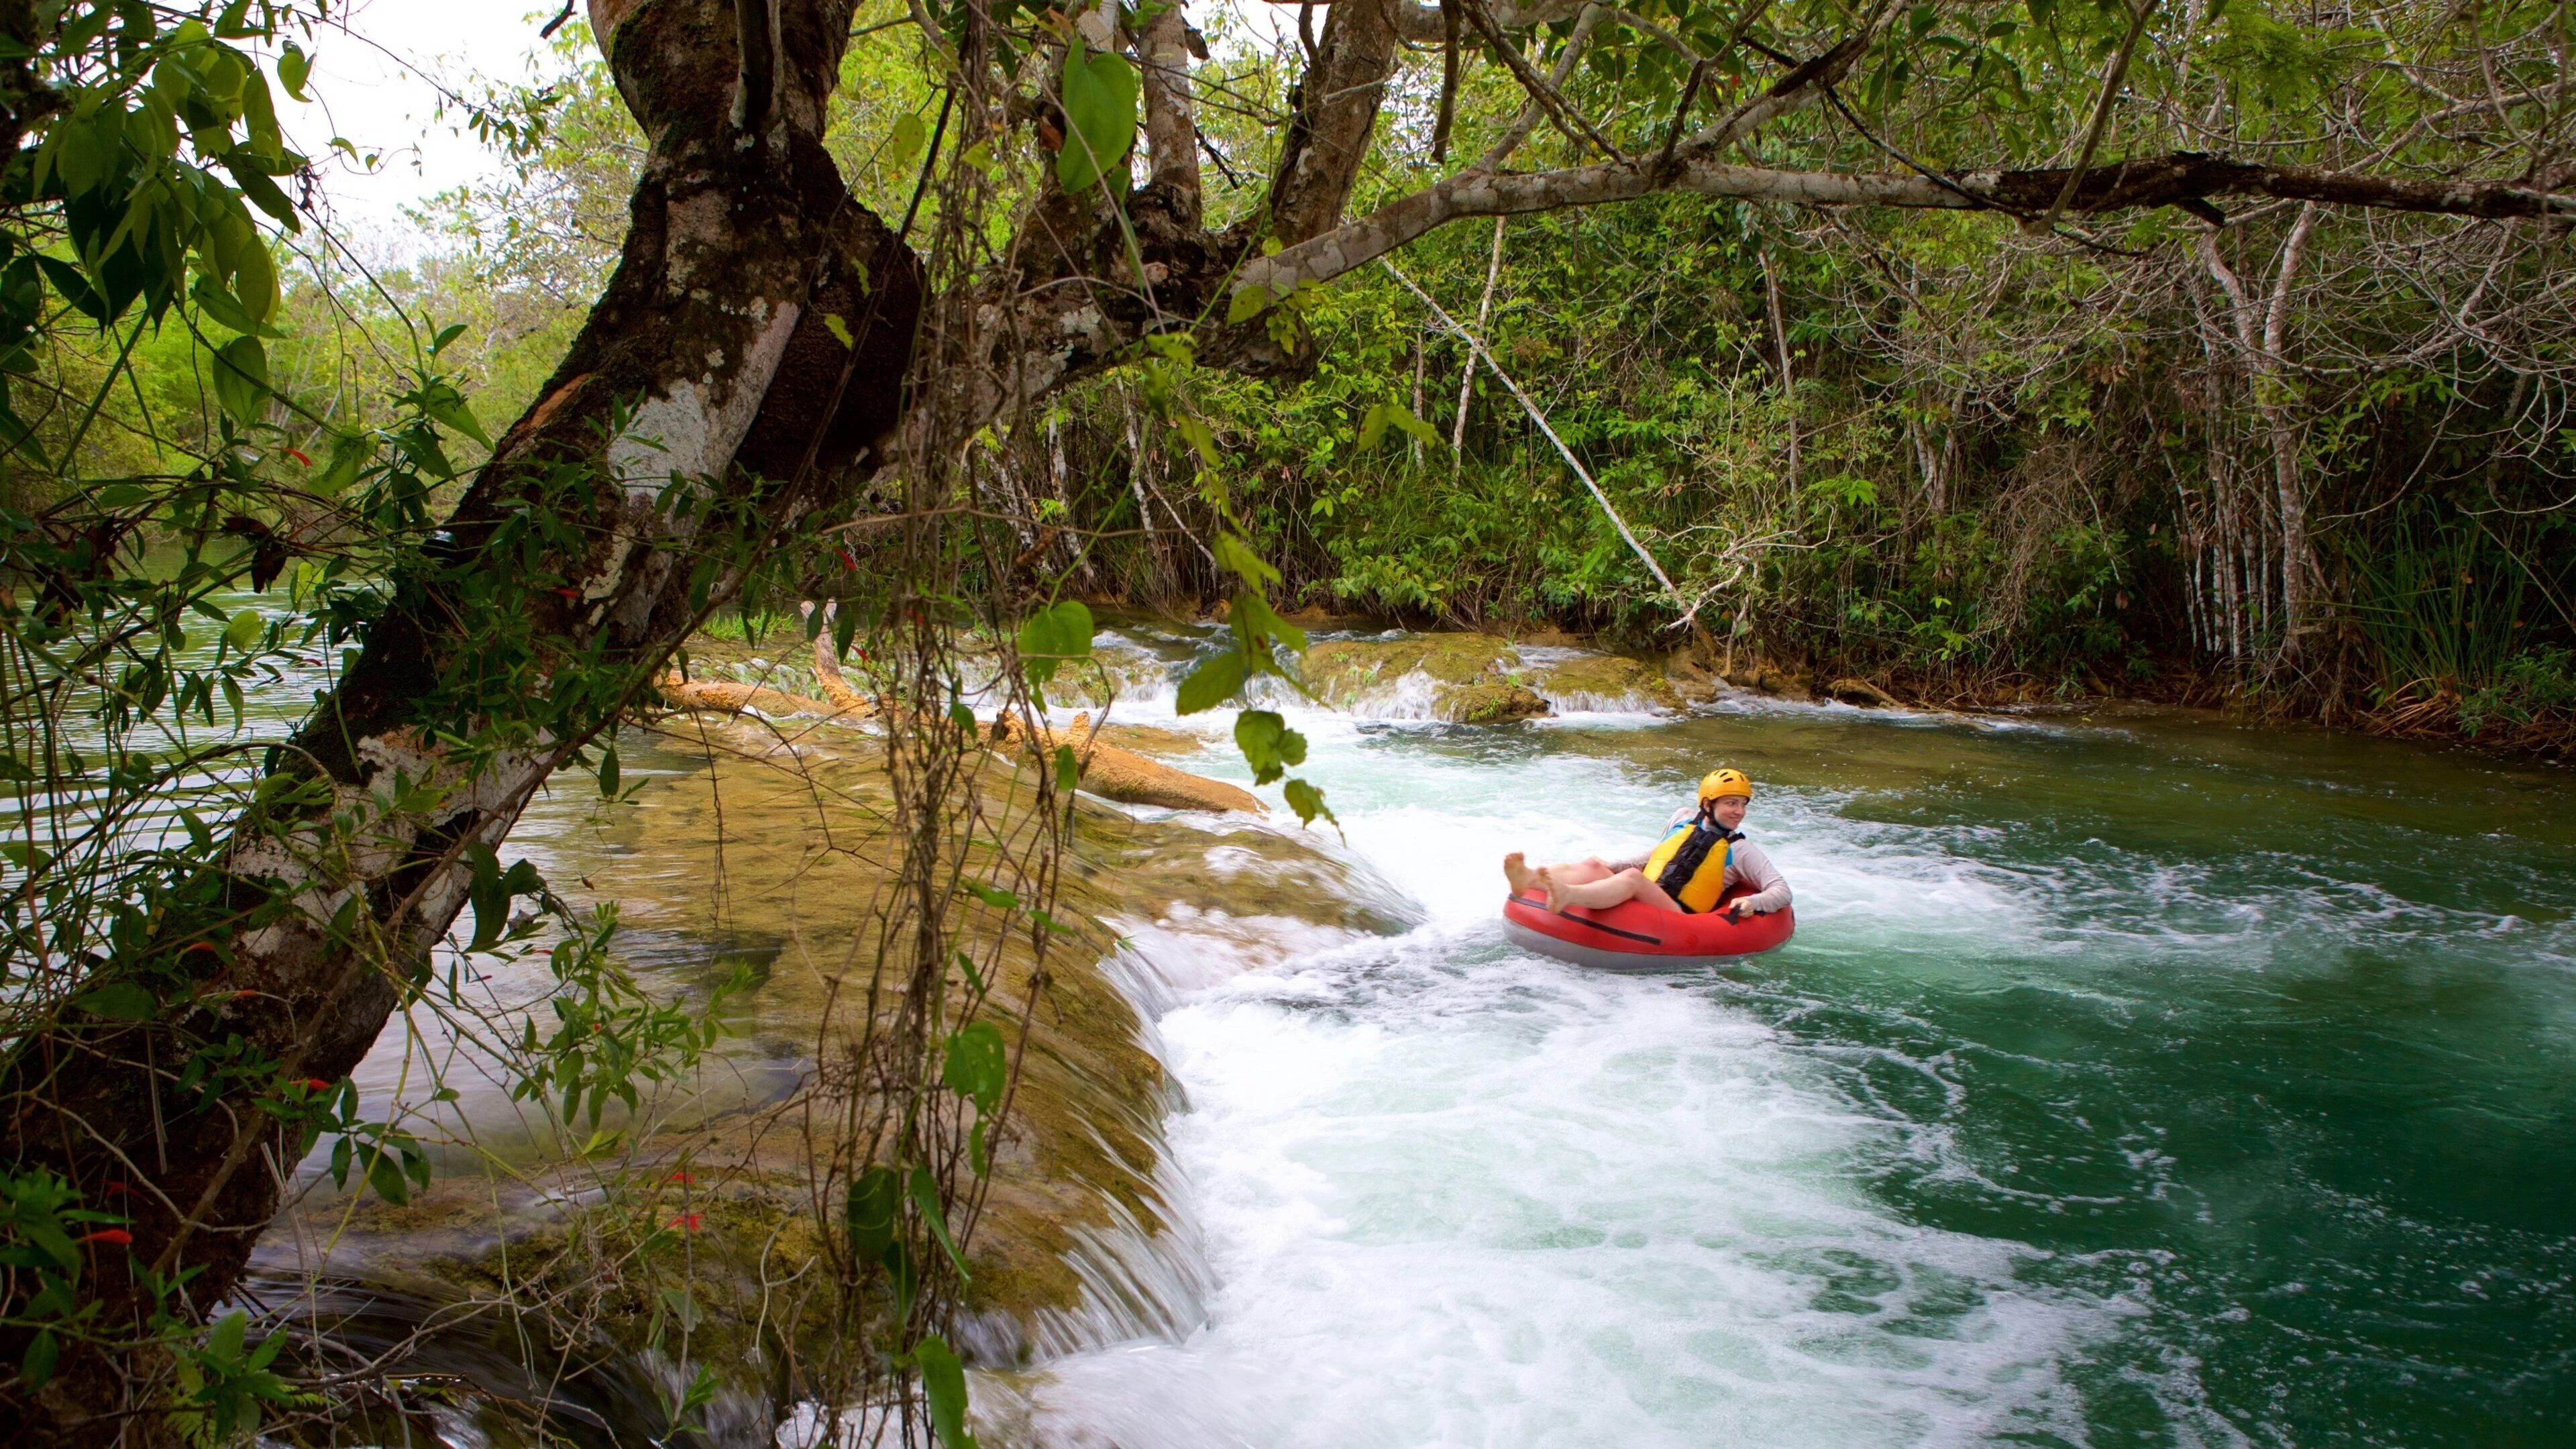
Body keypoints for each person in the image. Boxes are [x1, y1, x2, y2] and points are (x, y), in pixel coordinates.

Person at [1503, 768, 1792, 920]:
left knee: (1631, 879)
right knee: (1597, 864)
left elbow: (1781, 890)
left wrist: (1752, 901)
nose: (1739, 812)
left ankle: (1568, 895)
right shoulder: (1682, 819)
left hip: (1680, 914)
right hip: (1652, 889)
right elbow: (1658, 856)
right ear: (1707, 803)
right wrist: (1612, 865)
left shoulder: (1740, 849)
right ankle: (1529, 879)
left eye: (1742, 805)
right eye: (1731, 803)